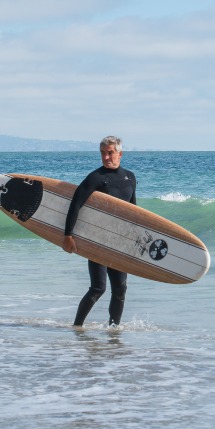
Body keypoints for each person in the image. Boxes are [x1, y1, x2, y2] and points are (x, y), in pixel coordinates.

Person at [62, 135, 137, 328]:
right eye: (103, 153)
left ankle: (114, 331)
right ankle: (77, 327)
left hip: (119, 242)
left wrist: (134, 240)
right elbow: (76, 204)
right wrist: (68, 235)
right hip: (97, 240)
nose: (106, 157)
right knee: (98, 288)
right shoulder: (96, 178)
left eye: (110, 153)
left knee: (120, 289)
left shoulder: (130, 178)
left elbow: (134, 211)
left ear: (120, 154)